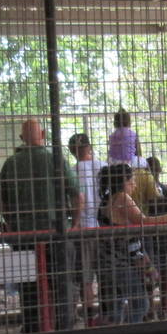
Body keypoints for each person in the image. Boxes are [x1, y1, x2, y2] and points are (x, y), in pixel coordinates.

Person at [0, 119, 78, 334]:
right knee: (62, 280)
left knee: (28, 284)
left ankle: (33, 328)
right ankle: (64, 327)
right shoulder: (55, 159)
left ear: (22, 138)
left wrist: (12, 221)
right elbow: (77, 194)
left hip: (23, 235)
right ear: (43, 134)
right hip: (56, 231)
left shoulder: (10, 164)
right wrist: (74, 225)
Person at [95, 161, 167, 326]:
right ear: (122, 182)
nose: (134, 185)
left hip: (108, 260)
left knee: (117, 306)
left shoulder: (106, 199)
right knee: (141, 304)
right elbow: (143, 220)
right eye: (131, 181)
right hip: (121, 260)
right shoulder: (122, 197)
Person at [68, 133, 104, 321]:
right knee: (106, 271)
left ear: (72, 151)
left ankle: (90, 313)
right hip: (105, 226)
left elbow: (74, 201)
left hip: (83, 227)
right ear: (89, 147)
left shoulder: (73, 171)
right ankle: (108, 312)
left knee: (86, 274)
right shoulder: (103, 166)